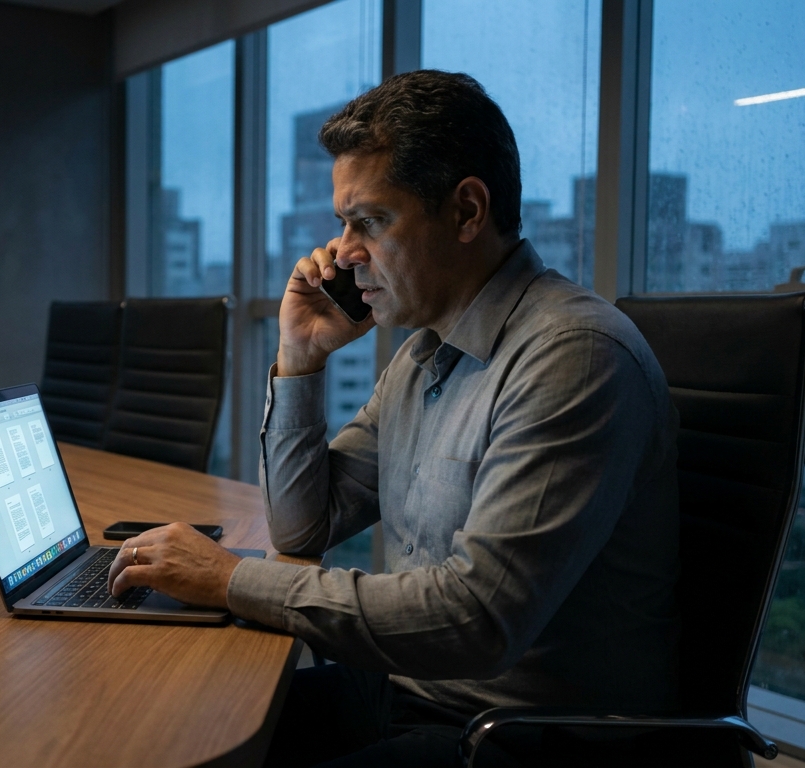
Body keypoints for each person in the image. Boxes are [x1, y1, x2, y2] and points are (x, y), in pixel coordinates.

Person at [107, 69, 680, 767]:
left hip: (521, 736)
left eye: (370, 221)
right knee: (171, 731)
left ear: (468, 212)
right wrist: (301, 356)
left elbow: (476, 619)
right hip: (414, 695)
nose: (343, 252)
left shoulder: (573, 356)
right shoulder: (423, 353)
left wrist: (230, 579)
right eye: (343, 224)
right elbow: (304, 525)